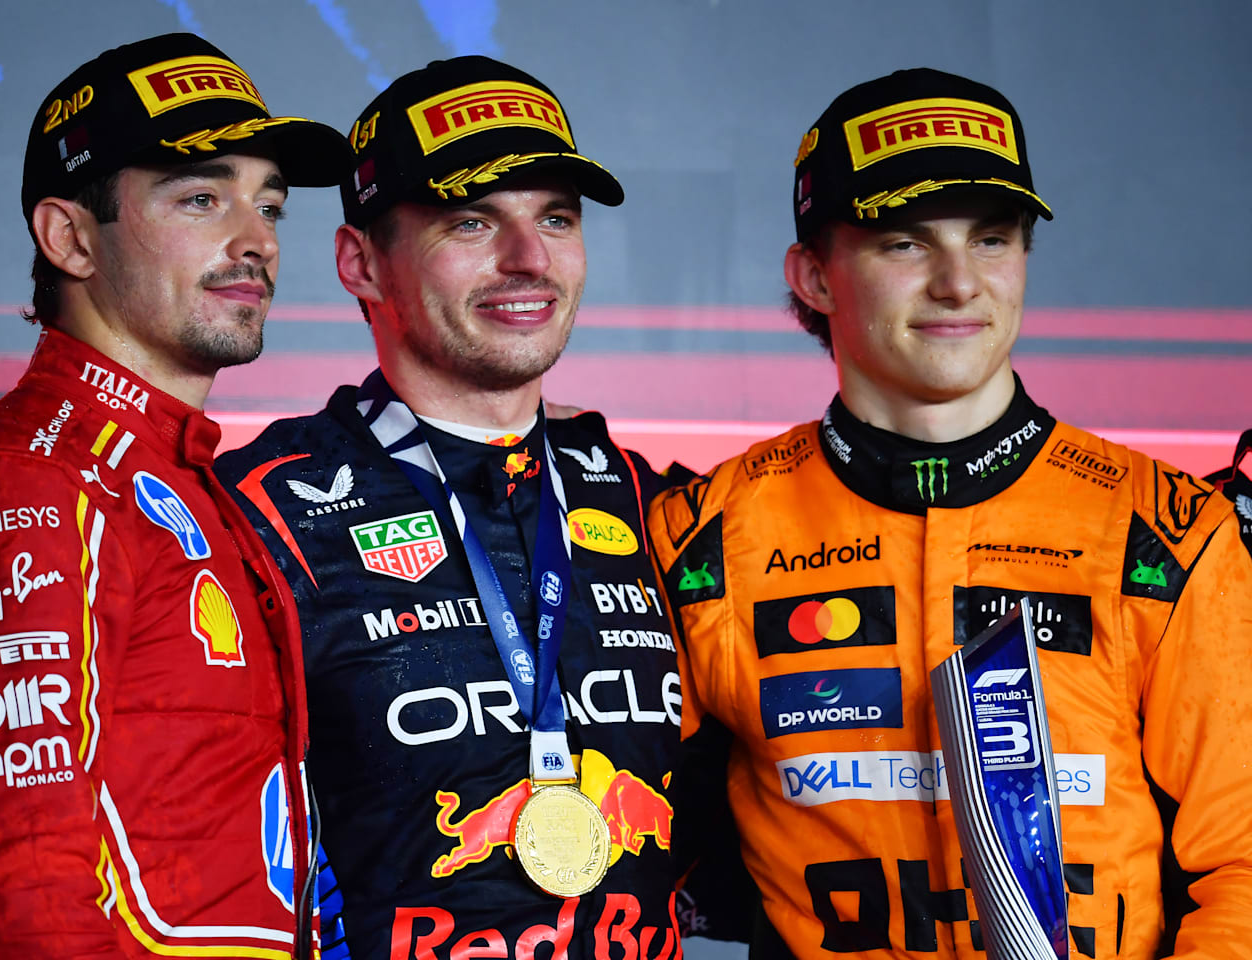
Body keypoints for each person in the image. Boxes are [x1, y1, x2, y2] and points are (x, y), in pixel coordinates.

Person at [647, 68, 1252, 959]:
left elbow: (1240, 863)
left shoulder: (1165, 531)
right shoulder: (702, 534)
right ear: (814, 276)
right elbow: (631, 851)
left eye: (993, 240)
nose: (960, 283)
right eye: (904, 243)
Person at [0, 33, 350, 958]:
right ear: (70, 237)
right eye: (202, 198)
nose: (255, 242)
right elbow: (25, 886)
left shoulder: (171, 474)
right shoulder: (25, 481)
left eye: (271, 207)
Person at [216, 56, 684, 960]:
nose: (529, 259)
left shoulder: (648, 500)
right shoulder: (259, 511)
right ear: (360, 262)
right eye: (472, 221)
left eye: (555, 218)